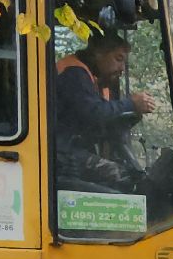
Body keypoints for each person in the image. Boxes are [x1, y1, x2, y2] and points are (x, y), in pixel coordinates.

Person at [52, 32, 158, 194]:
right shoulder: (74, 72)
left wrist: (131, 115)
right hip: (61, 154)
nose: (122, 69)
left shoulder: (92, 79)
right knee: (124, 177)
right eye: (118, 59)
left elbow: (98, 122)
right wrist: (130, 103)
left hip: (70, 151)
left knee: (129, 173)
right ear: (99, 53)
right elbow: (93, 113)